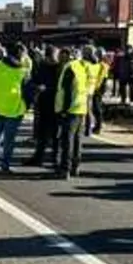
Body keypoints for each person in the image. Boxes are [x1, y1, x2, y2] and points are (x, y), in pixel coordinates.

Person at [0, 43, 30, 174]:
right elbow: (28, 93)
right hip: (14, 109)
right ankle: (5, 165)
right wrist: (27, 105)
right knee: (9, 140)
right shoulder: (23, 72)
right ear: (20, 55)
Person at [55, 47, 89, 179]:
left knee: (67, 140)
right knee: (77, 140)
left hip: (70, 109)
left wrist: (64, 109)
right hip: (81, 107)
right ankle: (75, 167)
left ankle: (65, 169)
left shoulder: (70, 68)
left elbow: (67, 90)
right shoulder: (82, 67)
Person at [24, 45, 61, 166]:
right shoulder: (42, 67)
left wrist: (47, 88)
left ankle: (56, 159)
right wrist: (36, 87)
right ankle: (38, 158)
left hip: (57, 105)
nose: (52, 59)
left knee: (56, 135)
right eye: (50, 57)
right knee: (42, 134)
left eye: (54, 57)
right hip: (43, 103)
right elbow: (32, 82)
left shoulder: (60, 68)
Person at [81, 46, 100, 137]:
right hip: (91, 89)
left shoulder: (86, 64)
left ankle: (86, 128)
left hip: (85, 88)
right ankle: (88, 129)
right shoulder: (96, 63)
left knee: (84, 110)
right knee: (88, 109)